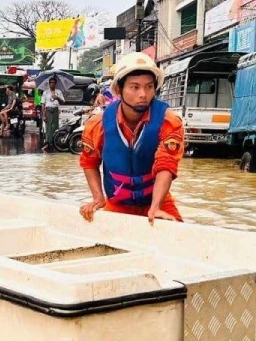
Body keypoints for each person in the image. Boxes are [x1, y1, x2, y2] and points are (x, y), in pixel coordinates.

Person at [78, 52, 184, 226]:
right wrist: (98, 197)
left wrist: (156, 207)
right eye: (135, 87)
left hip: (158, 202)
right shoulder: (97, 125)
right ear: (119, 90)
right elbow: (89, 162)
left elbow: (166, 165)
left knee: (179, 239)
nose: (143, 94)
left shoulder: (169, 122)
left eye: (149, 87)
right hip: (117, 203)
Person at [41, 76, 64, 151]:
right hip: (48, 110)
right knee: (48, 127)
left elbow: (63, 102)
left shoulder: (58, 92)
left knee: (55, 127)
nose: (52, 84)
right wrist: (43, 115)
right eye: (51, 82)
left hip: (55, 110)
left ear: (55, 84)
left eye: (54, 82)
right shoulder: (46, 92)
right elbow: (43, 104)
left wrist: (57, 98)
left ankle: (55, 142)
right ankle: (48, 143)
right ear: (49, 84)